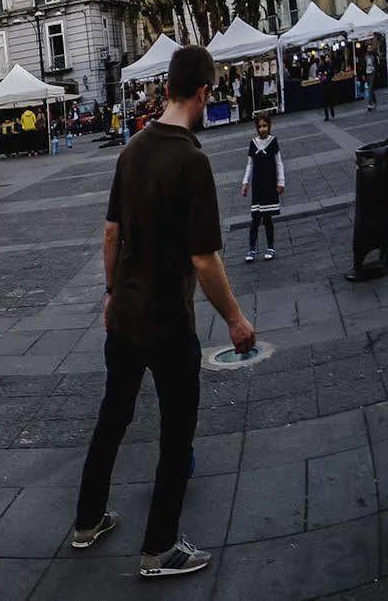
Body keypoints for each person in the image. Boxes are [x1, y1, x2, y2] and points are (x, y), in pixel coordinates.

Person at [72, 45, 255, 579]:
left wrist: (110, 292)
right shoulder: (193, 159)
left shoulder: (132, 149)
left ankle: (86, 521)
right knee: (177, 434)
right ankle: (159, 548)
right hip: (169, 323)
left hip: (125, 315)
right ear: (203, 92)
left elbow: (111, 234)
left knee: (113, 417)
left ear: (166, 87)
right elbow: (204, 257)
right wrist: (236, 321)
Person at [240, 113, 285, 262]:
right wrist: (245, 183)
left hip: (269, 185)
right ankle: (252, 249)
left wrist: (281, 182)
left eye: (265, 126)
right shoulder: (253, 143)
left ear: (269, 126)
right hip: (257, 186)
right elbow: (249, 165)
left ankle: (270, 247)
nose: (262, 129)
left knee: (267, 218)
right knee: (255, 218)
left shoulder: (273, 142)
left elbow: (279, 163)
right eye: (259, 126)